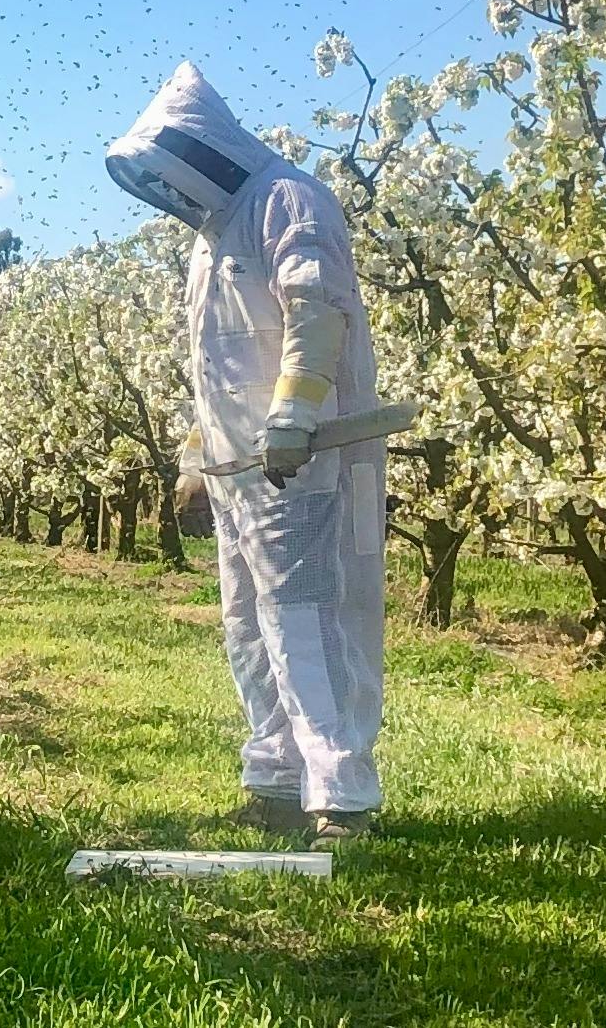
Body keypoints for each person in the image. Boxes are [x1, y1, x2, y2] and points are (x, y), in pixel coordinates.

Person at [106, 61, 386, 848]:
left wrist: (293, 414)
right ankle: (275, 779)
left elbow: (315, 309)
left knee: (307, 619)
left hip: (310, 460)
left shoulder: (288, 199)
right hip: (240, 470)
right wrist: (195, 458)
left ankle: (341, 796)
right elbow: (215, 364)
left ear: (202, 150)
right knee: (248, 623)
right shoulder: (210, 240)